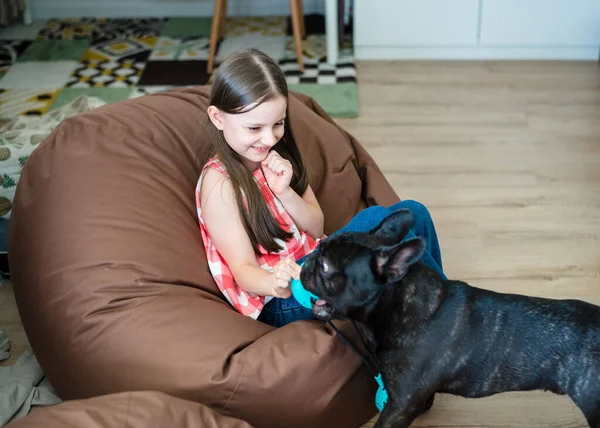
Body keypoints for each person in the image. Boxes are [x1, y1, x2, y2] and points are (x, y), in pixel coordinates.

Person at [195, 48, 445, 328]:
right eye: (254, 128)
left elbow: (316, 227)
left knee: (415, 212)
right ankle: (445, 317)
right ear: (218, 118)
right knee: (377, 218)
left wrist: (285, 192)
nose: (268, 138)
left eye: (278, 124)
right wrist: (275, 283)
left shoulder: (278, 157)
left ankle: (441, 312)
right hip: (279, 298)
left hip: (315, 266)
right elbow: (242, 270)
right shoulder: (220, 184)